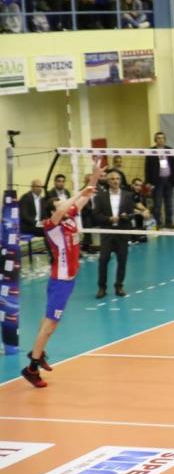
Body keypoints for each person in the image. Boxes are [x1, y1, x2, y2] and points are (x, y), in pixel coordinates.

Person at [21, 164, 102, 388]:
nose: (66, 205)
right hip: (60, 281)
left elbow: (83, 199)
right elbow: (69, 203)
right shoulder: (51, 225)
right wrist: (80, 191)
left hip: (66, 279)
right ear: (53, 210)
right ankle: (31, 368)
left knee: (48, 321)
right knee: (51, 325)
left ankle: (37, 352)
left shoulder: (70, 216)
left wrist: (94, 178)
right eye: (60, 203)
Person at [93, 172, 134, 298]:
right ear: (108, 181)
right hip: (107, 232)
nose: (115, 181)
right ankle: (102, 288)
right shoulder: (100, 197)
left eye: (117, 179)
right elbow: (96, 215)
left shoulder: (128, 195)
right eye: (112, 179)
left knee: (122, 260)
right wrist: (109, 219)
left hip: (122, 232)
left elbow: (131, 213)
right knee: (103, 260)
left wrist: (126, 216)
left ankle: (119, 286)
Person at [144, 132, 174, 229]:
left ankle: (169, 222)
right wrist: (147, 182)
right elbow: (147, 167)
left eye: (162, 138)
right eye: (158, 138)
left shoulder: (169, 150)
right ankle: (158, 223)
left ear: (165, 140)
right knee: (157, 204)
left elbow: (173, 165)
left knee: (169, 204)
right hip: (156, 181)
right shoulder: (151, 151)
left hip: (169, 180)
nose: (160, 140)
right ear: (155, 140)